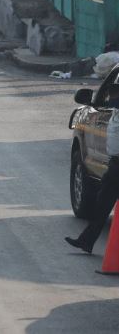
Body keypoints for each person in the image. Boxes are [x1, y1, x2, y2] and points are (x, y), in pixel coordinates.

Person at [66, 83, 119, 254]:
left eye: (113, 96)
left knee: (103, 204)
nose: (110, 99)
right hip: (114, 164)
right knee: (102, 205)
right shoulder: (114, 113)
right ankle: (86, 241)